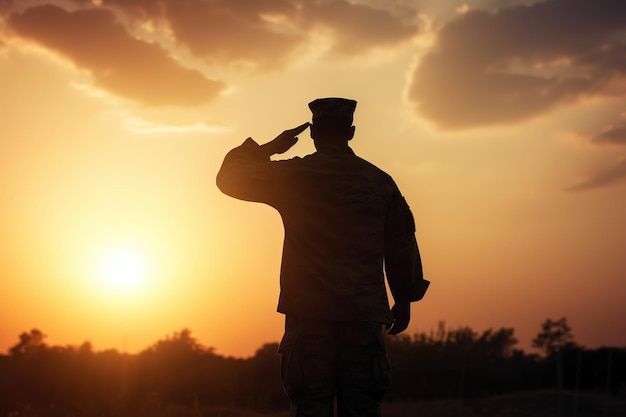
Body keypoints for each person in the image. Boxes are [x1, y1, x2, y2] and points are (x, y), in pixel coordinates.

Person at [216, 98, 429, 417]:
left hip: (308, 316)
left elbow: (229, 178)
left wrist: (267, 148)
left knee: (310, 408)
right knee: (362, 410)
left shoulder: (296, 176)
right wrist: (404, 298)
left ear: (313, 132)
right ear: (351, 132)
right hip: (362, 317)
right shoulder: (379, 182)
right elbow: (401, 244)